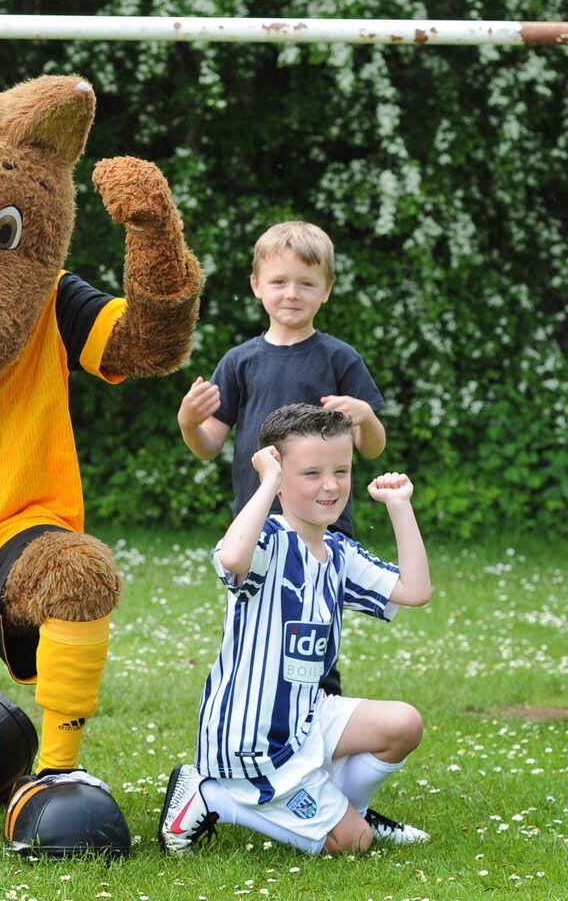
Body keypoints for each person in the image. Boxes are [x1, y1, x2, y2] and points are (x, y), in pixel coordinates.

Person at [159, 404, 431, 857]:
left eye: (341, 470)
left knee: (403, 724)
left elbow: (415, 590)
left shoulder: (338, 552)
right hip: (252, 740)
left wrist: (399, 507)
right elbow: (231, 559)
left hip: (305, 719)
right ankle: (209, 796)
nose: (331, 484)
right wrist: (267, 481)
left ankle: (346, 810)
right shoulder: (267, 540)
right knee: (355, 845)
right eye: (311, 473)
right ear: (280, 474)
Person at [177, 220, 386, 698]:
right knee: (251, 630)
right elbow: (209, 444)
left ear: (326, 291)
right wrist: (190, 423)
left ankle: (319, 716)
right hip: (257, 523)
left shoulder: (339, 359)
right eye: (279, 282)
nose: (292, 294)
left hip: (322, 524)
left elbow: (372, 447)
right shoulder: (239, 361)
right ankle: (249, 711)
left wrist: (365, 418)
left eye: (307, 283)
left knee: (314, 632)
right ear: (256, 286)